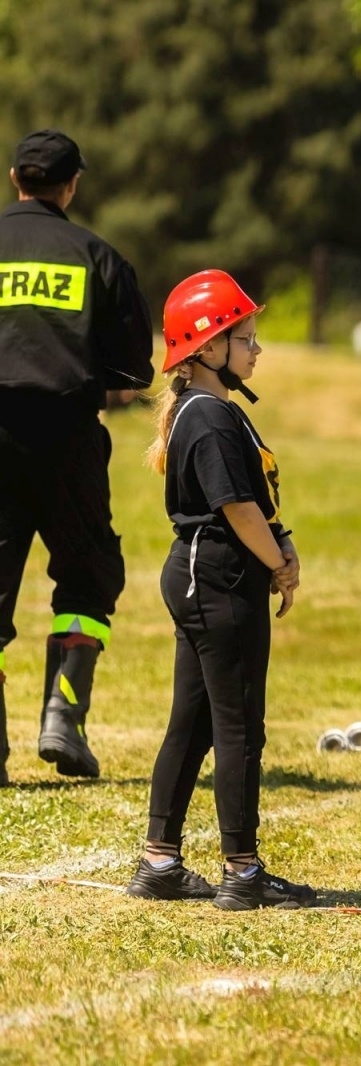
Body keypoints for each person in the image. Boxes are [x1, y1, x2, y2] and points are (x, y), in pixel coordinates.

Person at [124, 270, 315, 909]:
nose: (256, 349)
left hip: (207, 575)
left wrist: (281, 542)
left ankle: (160, 863)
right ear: (208, 348)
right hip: (220, 579)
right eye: (245, 338)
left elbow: (255, 501)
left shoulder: (211, 410)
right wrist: (279, 564)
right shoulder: (208, 417)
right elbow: (235, 507)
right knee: (239, 728)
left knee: (197, 720)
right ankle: (242, 872)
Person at [0, 129, 153, 785]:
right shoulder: (99, 257)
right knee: (88, 579)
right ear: (72, 185)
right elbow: (135, 369)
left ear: (16, 178)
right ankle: (63, 719)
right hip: (68, 439)